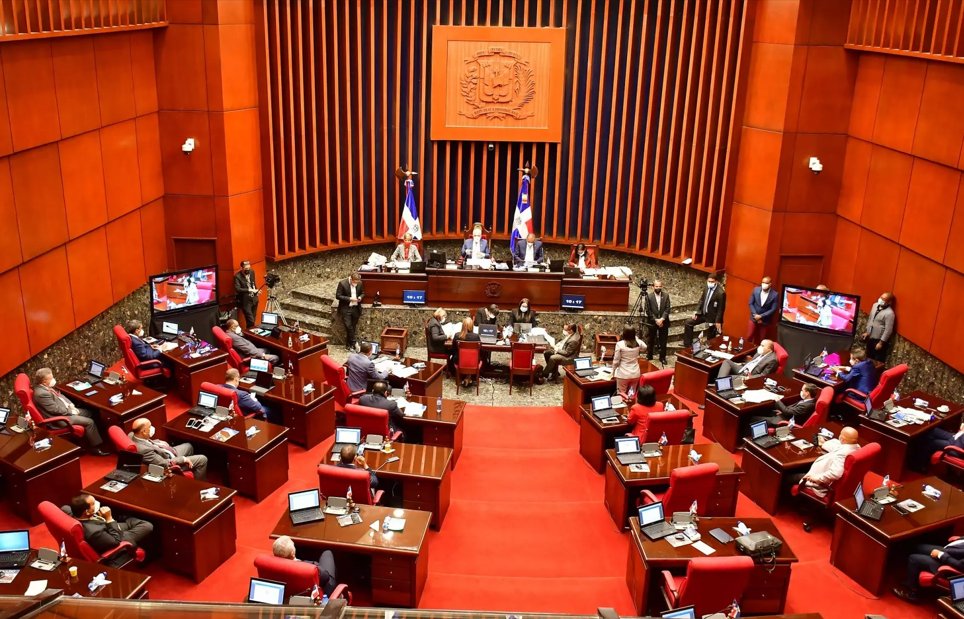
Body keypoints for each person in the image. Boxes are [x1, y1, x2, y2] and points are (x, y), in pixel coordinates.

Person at [32, 368, 109, 456]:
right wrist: (71, 411)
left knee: (92, 412)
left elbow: (60, 395)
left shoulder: (45, 387)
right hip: (59, 419)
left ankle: (96, 437)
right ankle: (95, 447)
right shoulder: (41, 394)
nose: (53, 379)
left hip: (66, 410)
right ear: (44, 381)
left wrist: (70, 404)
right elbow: (54, 410)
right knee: (90, 422)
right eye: (51, 378)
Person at [68, 493, 153, 554]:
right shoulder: (94, 533)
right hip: (113, 536)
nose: (96, 503)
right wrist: (109, 518)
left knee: (130, 519)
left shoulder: (73, 512)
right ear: (86, 512)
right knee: (147, 526)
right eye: (93, 504)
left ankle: (126, 518)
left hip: (104, 526)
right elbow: (116, 541)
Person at [790, 426, 860, 497]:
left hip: (817, 482)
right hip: (823, 473)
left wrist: (817, 478)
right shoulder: (856, 447)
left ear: (842, 439)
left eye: (840, 434)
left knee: (790, 476)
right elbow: (838, 447)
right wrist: (824, 443)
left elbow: (836, 474)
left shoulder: (842, 454)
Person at [130, 418, 209, 480]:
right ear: (144, 432)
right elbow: (164, 463)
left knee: (189, 446)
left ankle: (191, 469)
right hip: (169, 463)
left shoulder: (133, 435)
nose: (152, 428)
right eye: (150, 427)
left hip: (166, 452)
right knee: (202, 459)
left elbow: (147, 442)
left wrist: (159, 443)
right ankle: (199, 485)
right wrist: (183, 459)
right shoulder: (144, 450)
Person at [892, 538, 964, 602]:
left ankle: (914, 593)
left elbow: (960, 565)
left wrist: (940, 555)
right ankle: (910, 579)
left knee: (913, 558)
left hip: (950, 565)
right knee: (917, 547)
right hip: (953, 551)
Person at [272, 535, 339, 596]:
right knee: (327, 553)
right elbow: (326, 577)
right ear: (292, 553)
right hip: (320, 593)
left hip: (289, 594)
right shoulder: (310, 568)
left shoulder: (272, 567)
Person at [683, 273, 726, 347]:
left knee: (710, 338)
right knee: (688, 322)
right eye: (709, 281)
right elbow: (701, 300)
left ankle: (709, 348)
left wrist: (718, 321)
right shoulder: (706, 287)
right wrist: (696, 311)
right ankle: (687, 344)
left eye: (712, 282)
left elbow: (721, 309)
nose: (710, 283)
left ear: (716, 281)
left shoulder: (721, 293)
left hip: (712, 317)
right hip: (703, 314)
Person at [750, 383, 820, 428]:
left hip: (784, 421)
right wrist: (782, 411)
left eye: (802, 390)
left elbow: (788, 412)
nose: (801, 391)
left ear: (807, 393)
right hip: (785, 415)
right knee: (761, 411)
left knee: (752, 418)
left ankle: (747, 438)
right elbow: (792, 410)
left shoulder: (807, 405)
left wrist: (778, 400)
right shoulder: (809, 401)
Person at [861, 292, 895, 362]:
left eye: (884, 299)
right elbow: (870, 319)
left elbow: (888, 330)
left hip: (878, 340)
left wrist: (881, 343)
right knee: (868, 358)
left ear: (889, 302)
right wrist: (867, 332)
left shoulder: (890, 313)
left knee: (877, 361)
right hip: (870, 338)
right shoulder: (875, 305)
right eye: (881, 297)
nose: (881, 300)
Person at [612, 327, 644, 399]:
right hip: (635, 374)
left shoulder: (619, 344)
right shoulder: (638, 343)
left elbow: (616, 361)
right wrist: (637, 339)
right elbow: (645, 347)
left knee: (621, 396)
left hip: (623, 374)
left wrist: (613, 371)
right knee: (631, 395)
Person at [643, 280, 671, 364]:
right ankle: (649, 355)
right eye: (656, 286)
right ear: (653, 287)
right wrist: (656, 320)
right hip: (653, 321)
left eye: (659, 286)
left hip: (664, 322)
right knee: (651, 339)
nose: (658, 288)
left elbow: (667, 309)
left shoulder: (666, 296)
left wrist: (662, 319)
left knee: (663, 341)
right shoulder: (649, 297)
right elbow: (648, 311)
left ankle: (662, 357)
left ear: (662, 286)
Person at [335, 272, 364, 350]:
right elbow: (338, 296)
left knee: (352, 327)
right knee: (348, 326)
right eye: (355, 282)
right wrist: (349, 299)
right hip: (346, 308)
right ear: (351, 279)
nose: (356, 284)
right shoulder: (342, 283)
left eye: (357, 282)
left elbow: (362, 293)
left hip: (356, 308)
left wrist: (360, 297)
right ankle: (354, 343)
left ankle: (348, 345)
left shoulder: (360, 283)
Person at [747, 276, 778, 343]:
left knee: (761, 340)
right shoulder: (755, 290)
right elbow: (750, 303)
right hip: (754, 317)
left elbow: (773, 309)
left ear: (770, 284)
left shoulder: (775, 295)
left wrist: (761, 316)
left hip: (764, 320)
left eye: (766, 283)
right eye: (763, 282)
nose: (764, 284)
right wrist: (756, 316)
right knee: (749, 336)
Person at [452, 317, 481, 386]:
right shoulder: (476, 337)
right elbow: (480, 350)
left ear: (463, 325)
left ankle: (464, 377)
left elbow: (453, 349)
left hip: (459, 361)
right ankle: (469, 377)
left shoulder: (457, 335)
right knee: (476, 357)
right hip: (473, 362)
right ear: (472, 326)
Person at [234, 260, 260, 328]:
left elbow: (253, 283)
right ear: (242, 268)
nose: (248, 270)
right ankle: (250, 331)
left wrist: (256, 291)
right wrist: (250, 290)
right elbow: (238, 289)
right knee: (250, 320)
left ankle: (250, 331)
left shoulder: (252, 272)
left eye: (249, 268)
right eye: (246, 269)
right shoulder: (237, 276)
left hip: (254, 298)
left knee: (253, 319)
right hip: (245, 301)